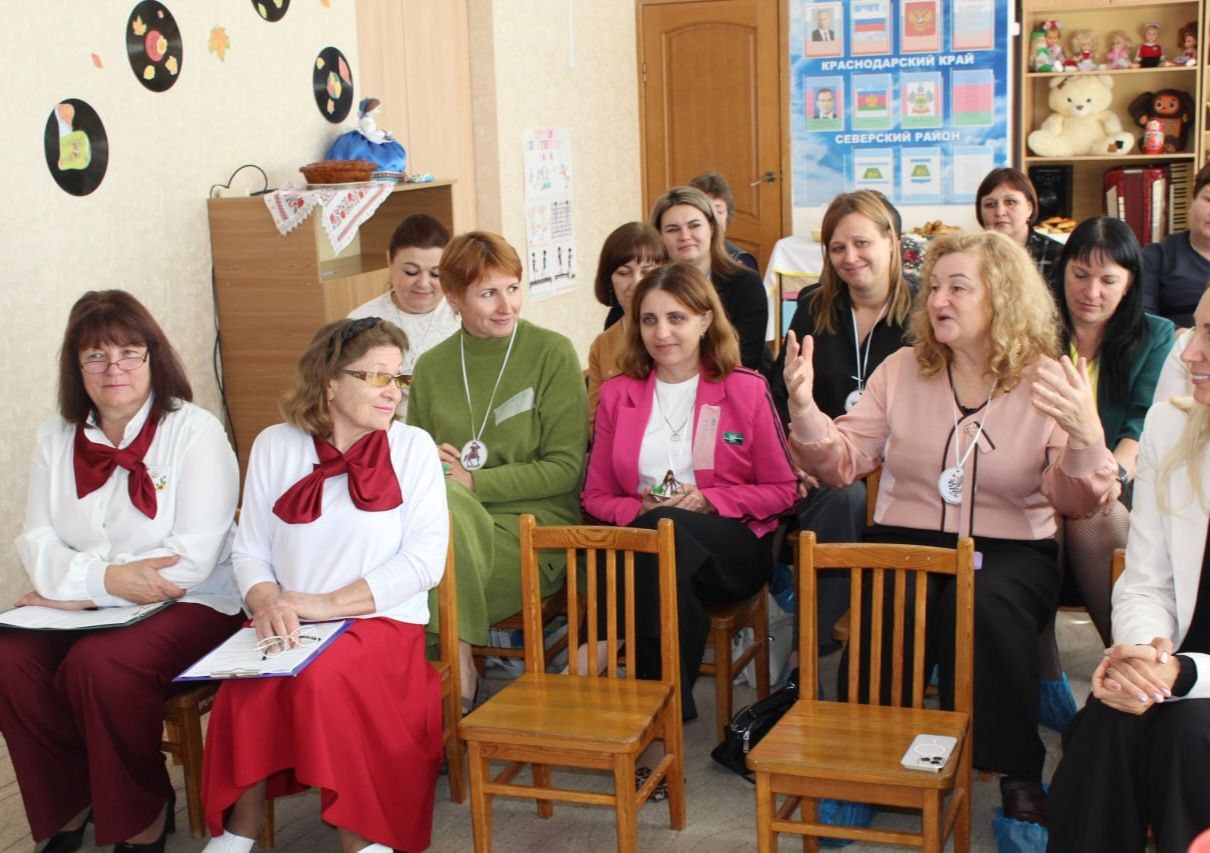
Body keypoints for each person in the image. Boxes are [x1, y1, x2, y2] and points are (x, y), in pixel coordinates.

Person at [783, 229, 1117, 824]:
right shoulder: (901, 370)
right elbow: (841, 463)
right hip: (907, 538)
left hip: (1009, 546)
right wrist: (806, 408)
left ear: (1002, 298)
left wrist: (1087, 437)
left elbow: (1073, 499)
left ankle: (1017, 772)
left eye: (958, 288)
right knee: (890, 601)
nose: (937, 299)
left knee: (987, 605)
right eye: (934, 286)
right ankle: (867, 762)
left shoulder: (1045, 379)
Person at [0, 290, 243, 852]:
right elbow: (36, 539)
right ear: (76, 367)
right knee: (10, 658)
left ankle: (143, 810)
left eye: (129, 353)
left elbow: (190, 559)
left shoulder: (196, 431)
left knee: (100, 666)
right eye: (96, 356)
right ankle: (69, 802)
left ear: (153, 357)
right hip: (85, 604)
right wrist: (102, 584)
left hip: (193, 601)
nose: (115, 369)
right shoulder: (55, 438)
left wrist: (79, 588)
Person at [201, 317, 448, 853]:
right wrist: (268, 601)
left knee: (321, 682)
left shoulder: (413, 448)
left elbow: (424, 563)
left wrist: (323, 604)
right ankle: (237, 833)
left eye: (399, 378)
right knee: (244, 685)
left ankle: (363, 840)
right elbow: (249, 550)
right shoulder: (275, 445)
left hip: (380, 624)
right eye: (377, 376)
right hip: (290, 618)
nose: (393, 392)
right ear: (330, 382)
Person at [582, 262, 797, 720]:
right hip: (655, 551)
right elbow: (595, 496)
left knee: (659, 535)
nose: (662, 332)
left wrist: (708, 500)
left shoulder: (745, 388)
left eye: (676, 317)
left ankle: (594, 652)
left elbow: (785, 490)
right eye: (649, 319)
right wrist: (637, 508)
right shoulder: (618, 394)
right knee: (663, 562)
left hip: (733, 548)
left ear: (705, 320)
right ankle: (665, 713)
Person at [1047, 287, 1210, 853]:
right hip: (1171, 666)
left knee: (1187, 737)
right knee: (1108, 724)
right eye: (1196, 329)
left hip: (1192, 682)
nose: (1189, 352)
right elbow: (1145, 581)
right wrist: (1140, 660)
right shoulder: (1173, 425)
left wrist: (1182, 676)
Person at [408, 231, 587, 708]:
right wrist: (439, 470)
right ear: (453, 298)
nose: (507, 305)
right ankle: (452, 671)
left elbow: (566, 469)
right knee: (434, 526)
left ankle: (451, 673)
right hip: (453, 523)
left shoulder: (552, 352)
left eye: (512, 288)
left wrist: (473, 480)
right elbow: (418, 465)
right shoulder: (431, 367)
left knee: (423, 577)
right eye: (488, 293)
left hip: (536, 526)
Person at [770, 190, 913, 652]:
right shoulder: (814, 305)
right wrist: (795, 458)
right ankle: (820, 650)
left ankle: (894, 643)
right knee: (841, 496)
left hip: (902, 466)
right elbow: (779, 395)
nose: (849, 257)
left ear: (891, 240)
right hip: (826, 467)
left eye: (861, 243)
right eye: (837, 248)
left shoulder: (925, 310)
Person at [1047, 217, 1175, 646]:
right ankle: (1041, 665)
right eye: (1080, 275)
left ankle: (1123, 656)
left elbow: (1143, 423)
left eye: (1108, 280)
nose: (1091, 292)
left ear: (1129, 282)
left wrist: (1108, 478)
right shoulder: (1034, 330)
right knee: (1042, 514)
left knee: (1096, 515)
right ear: (1063, 270)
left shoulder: (1155, 335)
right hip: (1043, 474)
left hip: (1122, 477)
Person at [649, 186, 772, 375]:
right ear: (660, 237)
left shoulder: (746, 283)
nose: (685, 236)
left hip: (733, 380)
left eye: (694, 225)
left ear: (712, 228)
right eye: (673, 229)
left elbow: (746, 358)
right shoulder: (651, 287)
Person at [347, 213, 460, 417]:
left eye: (436, 274)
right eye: (411, 272)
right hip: (384, 429)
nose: (423, 283)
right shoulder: (361, 321)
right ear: (389, 261)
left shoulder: (464, 316)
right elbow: (349, 395)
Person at [587, 222, 666, 430]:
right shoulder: (602, 346)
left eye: (647, 271)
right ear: (609, 280)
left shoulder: (685, 332)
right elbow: (596, 424)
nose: (636, 283)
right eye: (623, 273)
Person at [1141, 160, 1210, 330]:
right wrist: (1186, 338)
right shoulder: (1155, 257)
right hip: (1174, 344)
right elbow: (1143, 318)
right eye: (1209, 199)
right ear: (1192, 200)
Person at [974, 166, 1064, 286]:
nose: (999, 212)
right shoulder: (972, 253)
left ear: (1029, 208)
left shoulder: (1056, 254)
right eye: (990, 204)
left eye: (1010, 202)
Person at [689, 170, 759, 272]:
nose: (712, 219)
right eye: (704, 211)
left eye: (718, 211)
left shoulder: (741, 260)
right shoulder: (676, 257)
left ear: (727, 216)